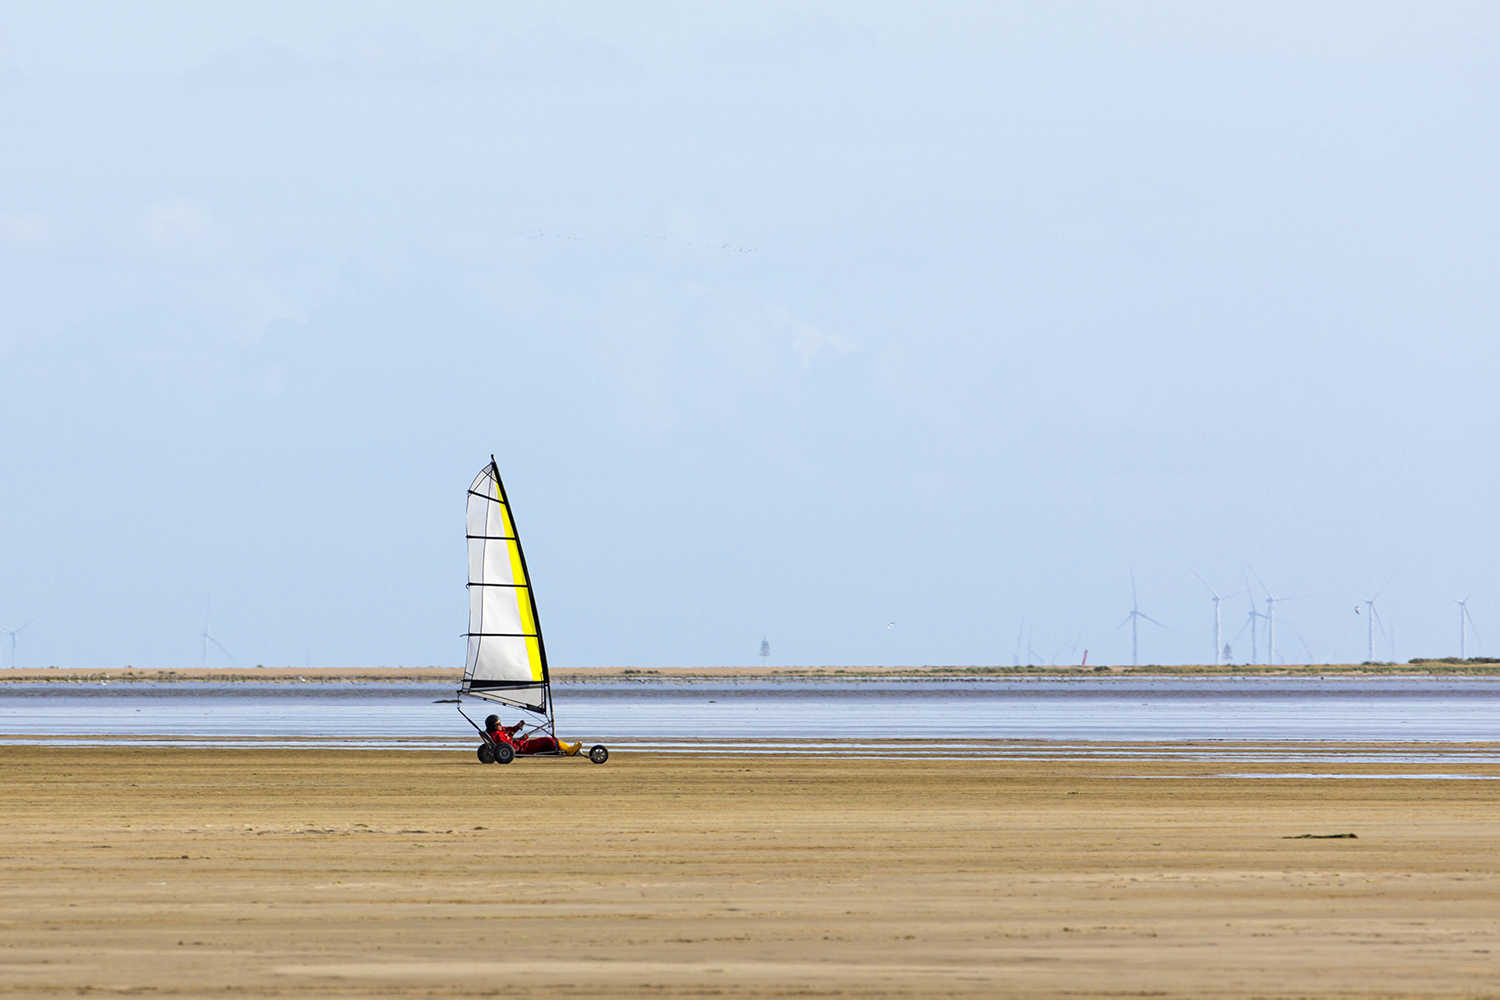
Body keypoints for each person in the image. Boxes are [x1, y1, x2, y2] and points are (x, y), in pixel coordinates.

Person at [483, 713, 582, 756]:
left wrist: (518, 726)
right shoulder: (498, 735)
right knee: (549, 740)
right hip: (523, 749)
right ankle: (569, 750)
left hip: (521, 745)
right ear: (493, 726)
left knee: (547, 742)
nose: (501, 725)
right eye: (498, 724)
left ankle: (568, 749)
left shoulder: (499, 731)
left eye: (500, 723)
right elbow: (513, 748)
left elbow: (509, 731)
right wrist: (522, 739)